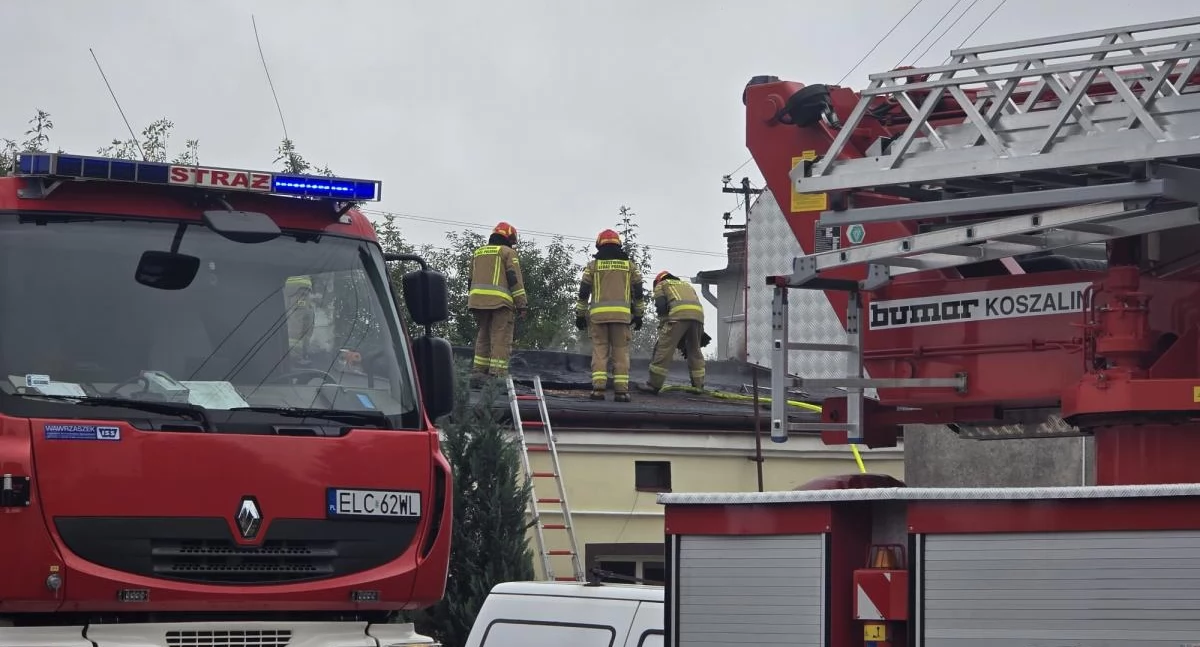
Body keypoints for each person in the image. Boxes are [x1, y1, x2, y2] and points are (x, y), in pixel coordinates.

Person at [575, 229, 644, 402]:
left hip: (598, 318)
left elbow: (583, 292)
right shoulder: (629, 266)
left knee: (600, 351)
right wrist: (639, 314)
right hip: (621, 318)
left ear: (599, 245)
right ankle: (621, 392)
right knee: (620, 352)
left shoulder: (593, 266)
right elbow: (638, 291)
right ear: (618, 244)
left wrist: (580, 314)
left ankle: (598, 390)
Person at [467, 222, 527, 381]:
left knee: (483, 334)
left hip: (477, 302)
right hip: (500, 303)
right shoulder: (508, 252)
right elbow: (514, 280)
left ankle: (478, 371)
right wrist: (522, 304)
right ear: (508, 238)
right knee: (501, 337)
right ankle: (497, 375)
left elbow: (470, 279)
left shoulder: (478, 252)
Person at [638, 270, 707, 393]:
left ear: (658, 281)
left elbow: (661, 307)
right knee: (694, 351)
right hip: (698, 318)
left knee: (664, 349)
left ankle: (654, 384)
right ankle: (698, 386)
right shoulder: (686, 285)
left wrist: (663, 327)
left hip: (678, 317)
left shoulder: (661, 285)